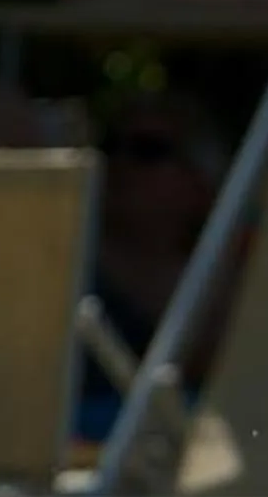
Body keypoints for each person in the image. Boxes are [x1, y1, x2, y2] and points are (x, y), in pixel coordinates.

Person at [74, 91, 234, 443]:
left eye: (147, 150)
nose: (120, 163)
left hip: (167, 454)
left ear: (199, 182)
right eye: (109, 146)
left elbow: (223, 371)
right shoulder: (62, 247)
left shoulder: (234, 271)